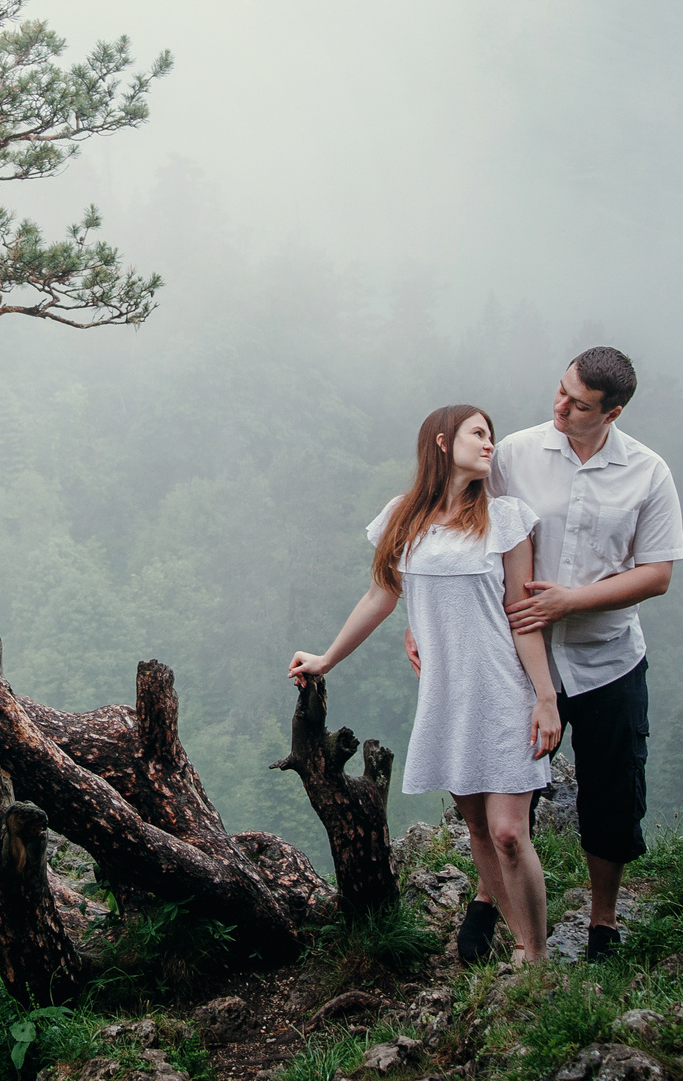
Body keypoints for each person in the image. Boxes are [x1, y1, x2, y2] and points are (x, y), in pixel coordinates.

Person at [411, 346, 683, 964]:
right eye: (560, 391)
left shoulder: (648, 472)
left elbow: (658, 573)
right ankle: (488, 899)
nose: (560, 406)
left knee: (611, 793)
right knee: (508, 789)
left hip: (607, 656)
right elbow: (459, 527)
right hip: (512, 658)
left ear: (611, 412)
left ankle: (603, 923)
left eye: (578, 404)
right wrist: (420, 620)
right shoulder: (514, 455)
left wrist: (570, 602)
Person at [290, 405, 564, 964]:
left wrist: (545, 697)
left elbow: (521, 613)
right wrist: (327, 659)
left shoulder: (506, 518)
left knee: (510, 831)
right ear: (443, 441)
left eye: (492, 435)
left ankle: (536, 958)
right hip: (446, 699)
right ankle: (517, 943)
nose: (491, 444)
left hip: (506, 691)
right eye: (478, 433)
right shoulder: (402, 518)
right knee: (480, 834)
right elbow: (381, 597)